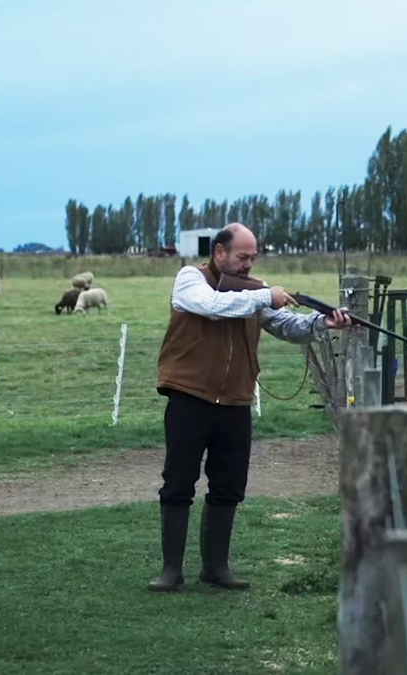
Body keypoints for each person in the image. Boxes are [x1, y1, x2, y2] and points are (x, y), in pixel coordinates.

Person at [149, 223, 352, 592]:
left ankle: (216, 568)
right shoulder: (190, 279)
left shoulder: (255, 291)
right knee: (178, 482)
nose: (248, 264)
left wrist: (322, 322)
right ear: (219, 253)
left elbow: (286, 326)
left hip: (236, 400)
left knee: (229, 485)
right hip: (189, 396)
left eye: (253, 258)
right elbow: (212, 307)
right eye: (243, 257)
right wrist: (264, 295)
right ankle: (171, 571)